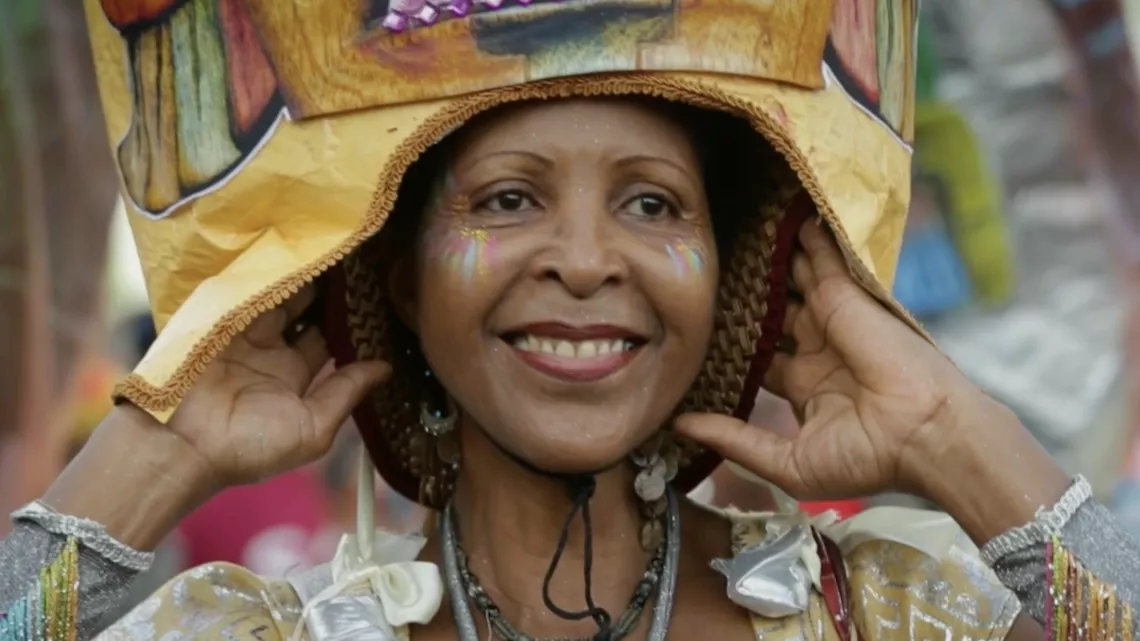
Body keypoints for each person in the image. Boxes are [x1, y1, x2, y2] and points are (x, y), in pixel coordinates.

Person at [4, 2, 1140, 641]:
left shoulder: (883, 615)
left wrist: (949, 429)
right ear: (401, 280)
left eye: (652, 205)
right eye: (508, 200)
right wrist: (160, 446)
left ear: (726, 277)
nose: (589, 261)